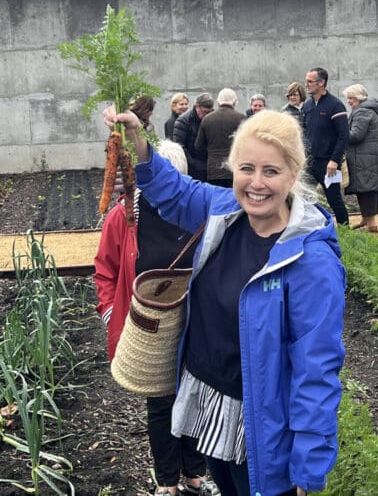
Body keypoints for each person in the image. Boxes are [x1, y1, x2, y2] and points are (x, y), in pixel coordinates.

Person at [103, 105, 346, 496]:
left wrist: (309, 464)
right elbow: (177, 192)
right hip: (209, 403)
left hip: (260, 425)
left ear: (294, 175)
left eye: (271, 171)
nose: (256, 183)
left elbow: (316, 370)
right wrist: (139, 143)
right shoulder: (225, 211)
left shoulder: (310, 261)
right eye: (246, 168)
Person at [94, 140, 219, 496]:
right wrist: (111, 315)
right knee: (161, 402)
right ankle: (167, 482)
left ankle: (195, 475)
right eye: (163, 185)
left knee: (196, 397)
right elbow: (105, 270)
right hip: (150, 327)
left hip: (196, 322)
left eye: (177, 185)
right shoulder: (126, 215)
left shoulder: (200, 213)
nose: (170, 196)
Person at [342, 84, 378, 233]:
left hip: (366, 160)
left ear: (358, 98)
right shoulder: (366, 111)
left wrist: (339, 131)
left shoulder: (362, 112)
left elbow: (356, 135)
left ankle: (371, 226)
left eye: (351, 98)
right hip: (369, 158)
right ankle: (366, 219)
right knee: (367, 189)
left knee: (366, 190)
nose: (349, 101)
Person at [302, 67, 349, 225]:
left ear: (321, 83)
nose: (306, 84)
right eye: (306, 81)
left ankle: (345, 229)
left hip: (329, 163)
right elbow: (304, 132)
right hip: (310, 162)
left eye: (310, 81)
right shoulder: (307, 106)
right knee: (302, 195)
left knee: (333, 198)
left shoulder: (335, 105)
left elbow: (344, 135)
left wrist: (334, 160)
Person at [195, 88, 245, 187]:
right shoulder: (241, 119)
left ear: (218, 102)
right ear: (234, 102)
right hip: (234, 169)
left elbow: (198, 147)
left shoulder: (207, 119)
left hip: (213, 170)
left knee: (216, 199)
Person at [173, 92, 214, 181]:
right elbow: (179, 147)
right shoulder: (183, 122)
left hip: (208, 166)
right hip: (192, 168)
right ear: (196, 107)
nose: (206, 115)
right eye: (204, 112)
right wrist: (195, 165)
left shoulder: (213, 119)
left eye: (209, 112)